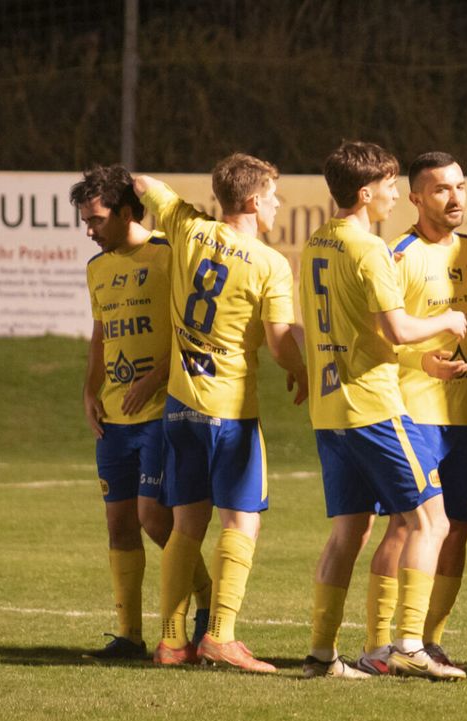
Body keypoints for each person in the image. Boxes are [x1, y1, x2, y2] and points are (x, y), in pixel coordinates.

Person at [133, 154, 309, 672]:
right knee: (242, 520)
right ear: (253, 201)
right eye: (274, 195)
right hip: (230, 412)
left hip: (181, 408)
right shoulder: (270, 263)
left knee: (187, 524)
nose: (277, 204)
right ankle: (220, 636)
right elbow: (279, 344)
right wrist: (298, 371)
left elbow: (144, 183)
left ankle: (169, 642)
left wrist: (115, 182)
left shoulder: (187, 226)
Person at [302, 141, 467, 681]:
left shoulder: (316, 243)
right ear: (366, 191)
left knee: (347, 533)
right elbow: (394, 328)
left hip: (330, 411)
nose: (395, 194)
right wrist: (450, 324)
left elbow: (363, 332)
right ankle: (410, 645)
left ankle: (321, 656)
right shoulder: (369, 249)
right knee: (431, 520)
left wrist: (421, 359)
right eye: (391, 185)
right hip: (373, 405)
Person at [72, 164, 212, 659]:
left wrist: (155, 379)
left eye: (96, 219)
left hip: (161, 411)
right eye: (85, 221)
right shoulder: (97, 268)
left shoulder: (168, 254)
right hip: (114, 419)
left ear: (128, 212)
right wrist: (89, 391)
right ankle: (129, 636)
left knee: (154, 519)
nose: (89, 230)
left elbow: (190, 328)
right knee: (118, 524)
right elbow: (101, 334)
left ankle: (206, 602)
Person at [356, 152, 467, 676]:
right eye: (439, 190)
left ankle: (428, 640)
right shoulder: (397, 255)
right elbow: (378, 336)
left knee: (456, 530)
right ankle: (379, 645)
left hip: (466, 416)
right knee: (406, 528)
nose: (454, 199)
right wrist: (422, 358)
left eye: (459, 187)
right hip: (413, 414)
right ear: (415, 198)